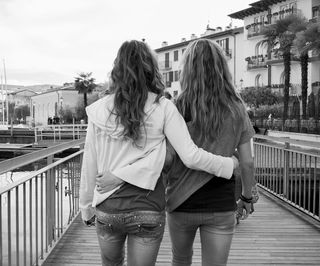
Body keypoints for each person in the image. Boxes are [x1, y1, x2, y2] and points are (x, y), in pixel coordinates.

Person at [79, 40, 239, 266]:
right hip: (147, 209)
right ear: (150, 68)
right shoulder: (164, 108)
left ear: (117, 69)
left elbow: (89, 163)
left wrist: (86, 208)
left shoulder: (98, 111)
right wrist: (228, 165)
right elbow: (190, 156)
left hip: (107, 208)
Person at [163, 39, 256, 266]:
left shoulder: (178, 106)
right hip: (221, 203)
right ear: (221, 67)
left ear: (188, 68)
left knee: (180, 260)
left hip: (180, 202)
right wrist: (246, 196)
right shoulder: (236, 108)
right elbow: (247, 162)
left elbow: (167, 157)